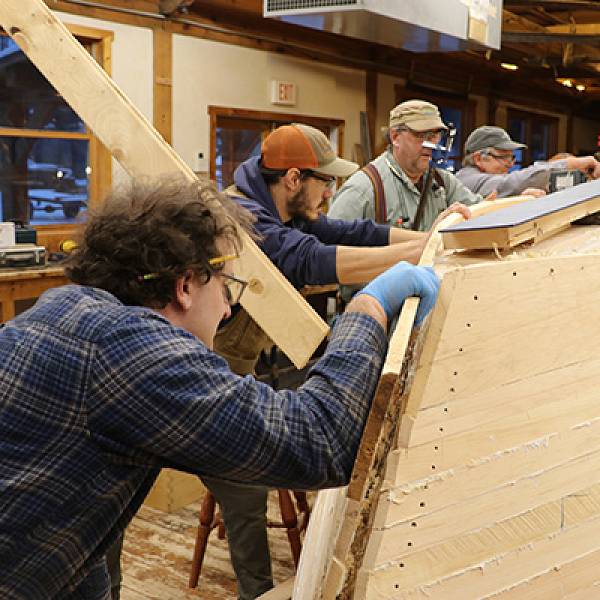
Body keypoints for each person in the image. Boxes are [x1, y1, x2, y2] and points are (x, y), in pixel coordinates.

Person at [0, 176, 440, 600]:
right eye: (227, 286)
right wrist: (367, 309)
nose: (229, 310)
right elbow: (320, 440)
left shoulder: (61, 312)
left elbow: (80, 540)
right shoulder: (132, 353)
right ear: (186, 285)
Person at [205, 122, 469, 599]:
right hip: (213, 367)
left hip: (257, 364)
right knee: (243, 494)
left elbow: (353, 232)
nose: (330, 192)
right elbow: (310, 260)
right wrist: (418, 256)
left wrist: (427, 238)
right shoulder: (244, 219)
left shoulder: (285, 207)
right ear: (292, 179)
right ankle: (258, 592)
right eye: (324, 181)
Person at [328, 99, 483, 232]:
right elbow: (331, 252)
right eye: (421, 135)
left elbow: (481, 211)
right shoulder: (362, 190)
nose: (431, 144)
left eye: (435, 135)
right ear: (395, 136)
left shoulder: (444, 182)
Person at [456, 125, 600, 198]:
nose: (510, 164)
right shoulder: (466, 180)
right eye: (503, 156)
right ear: (478, 158)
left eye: (512, 157)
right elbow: (510, 184)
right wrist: (569, 164)